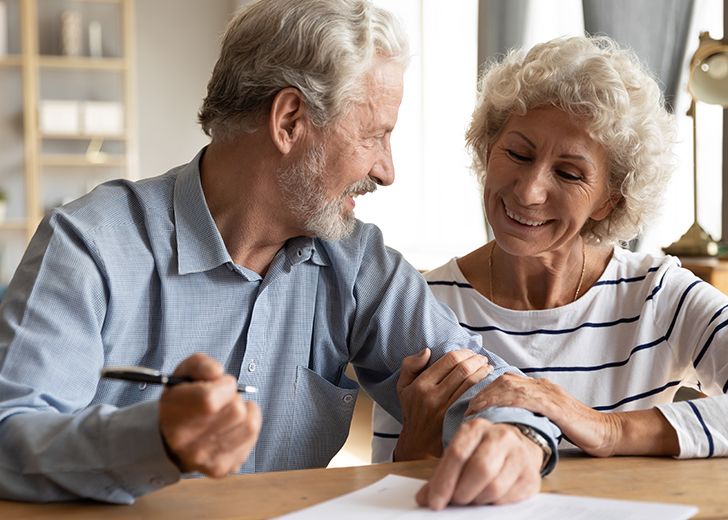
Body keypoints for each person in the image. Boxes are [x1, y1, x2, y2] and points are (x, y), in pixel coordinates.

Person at [0, 0, 560, 508]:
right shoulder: (91, 243)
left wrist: (518, 435)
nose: (387, 171)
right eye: (374, 136)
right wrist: (155, 439)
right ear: (289, 121)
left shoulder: (357, 261)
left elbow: (497, 385)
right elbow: (9, 436)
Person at [372, 35, 728, 463]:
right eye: (518, 154)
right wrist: (420, 443)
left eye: (569, 173)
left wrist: (607, 429)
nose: (529, 191)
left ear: (609, 199)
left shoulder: (658, 295)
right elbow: (388, 493)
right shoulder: (422, 305)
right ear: (488, 149)